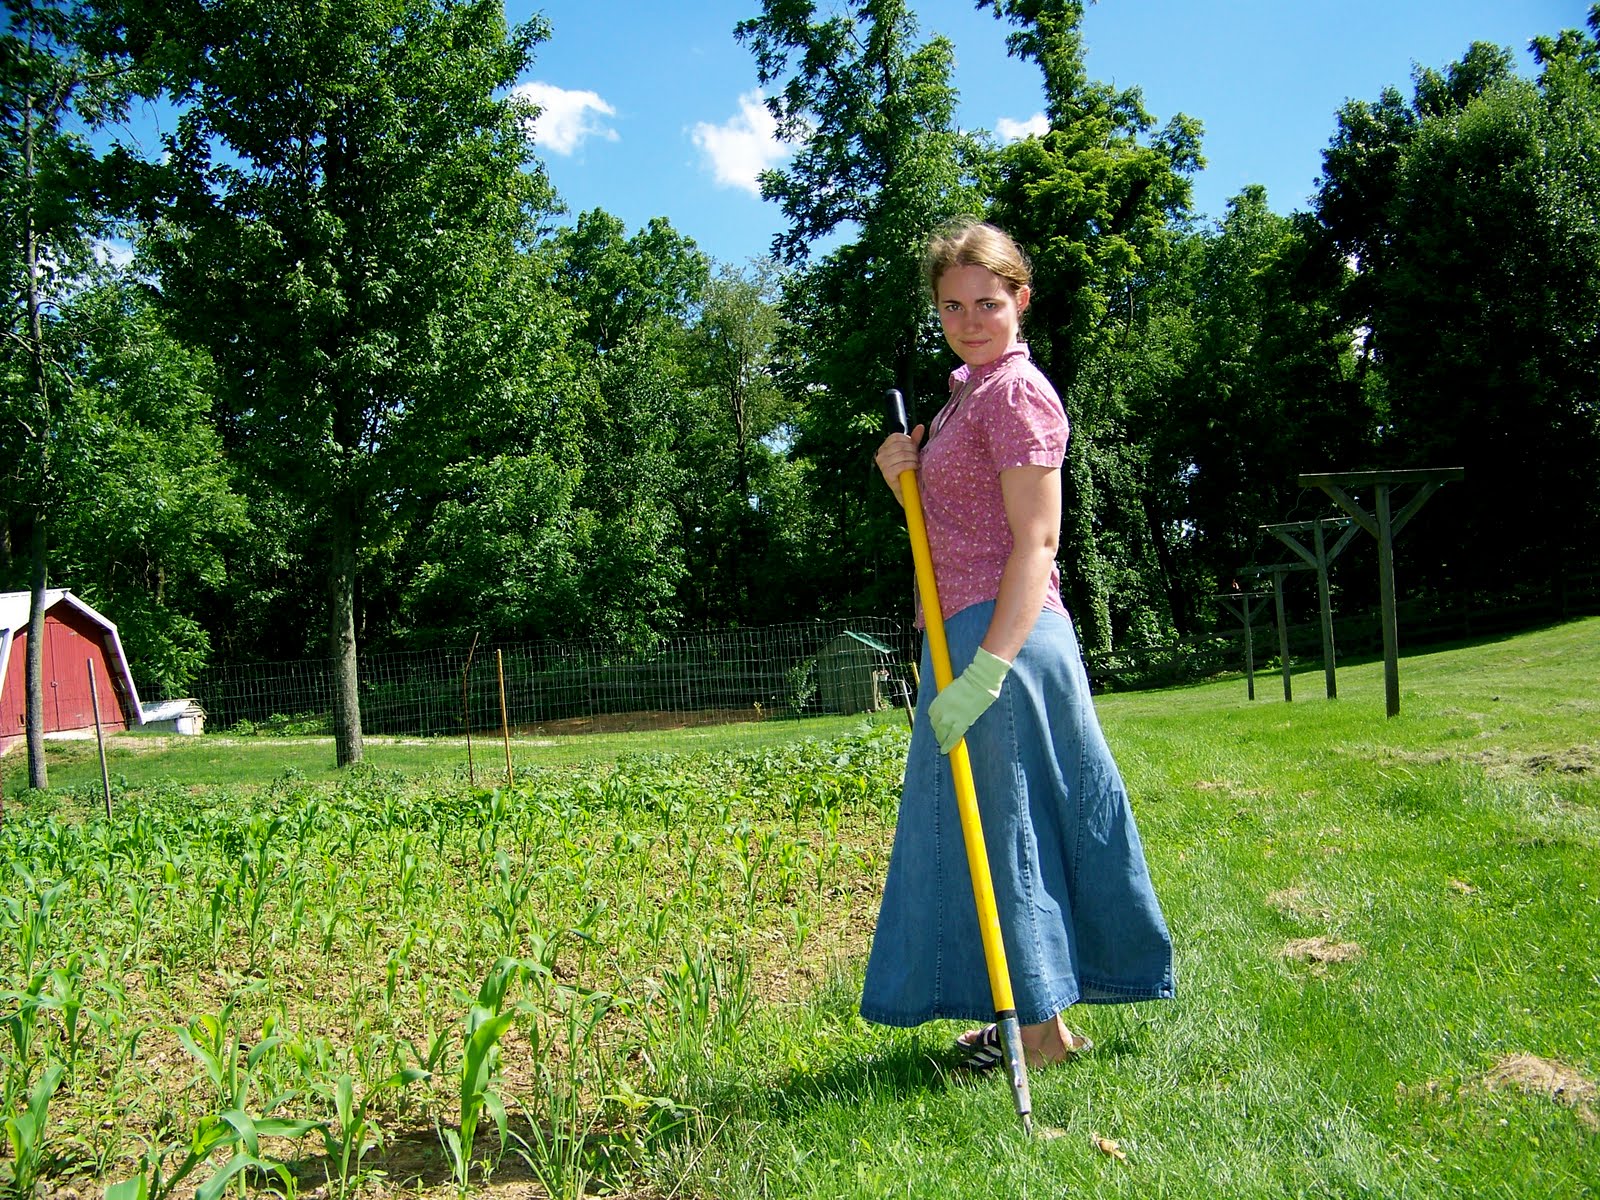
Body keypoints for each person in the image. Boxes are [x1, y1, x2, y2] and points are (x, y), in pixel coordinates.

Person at [863, 217, 1174, 1070]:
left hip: (1006, 639)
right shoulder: (965, 394)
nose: (971, 319)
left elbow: (1035, 544)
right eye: (954, 305)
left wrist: (987, 671)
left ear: (1020, 300)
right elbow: (955, 537)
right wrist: (905, 482)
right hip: (960, 630)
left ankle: (1038, 1037)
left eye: (989, 303)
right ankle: (1037, 1021)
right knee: (995, 827)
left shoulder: (1016, 392)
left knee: (1012, 827)